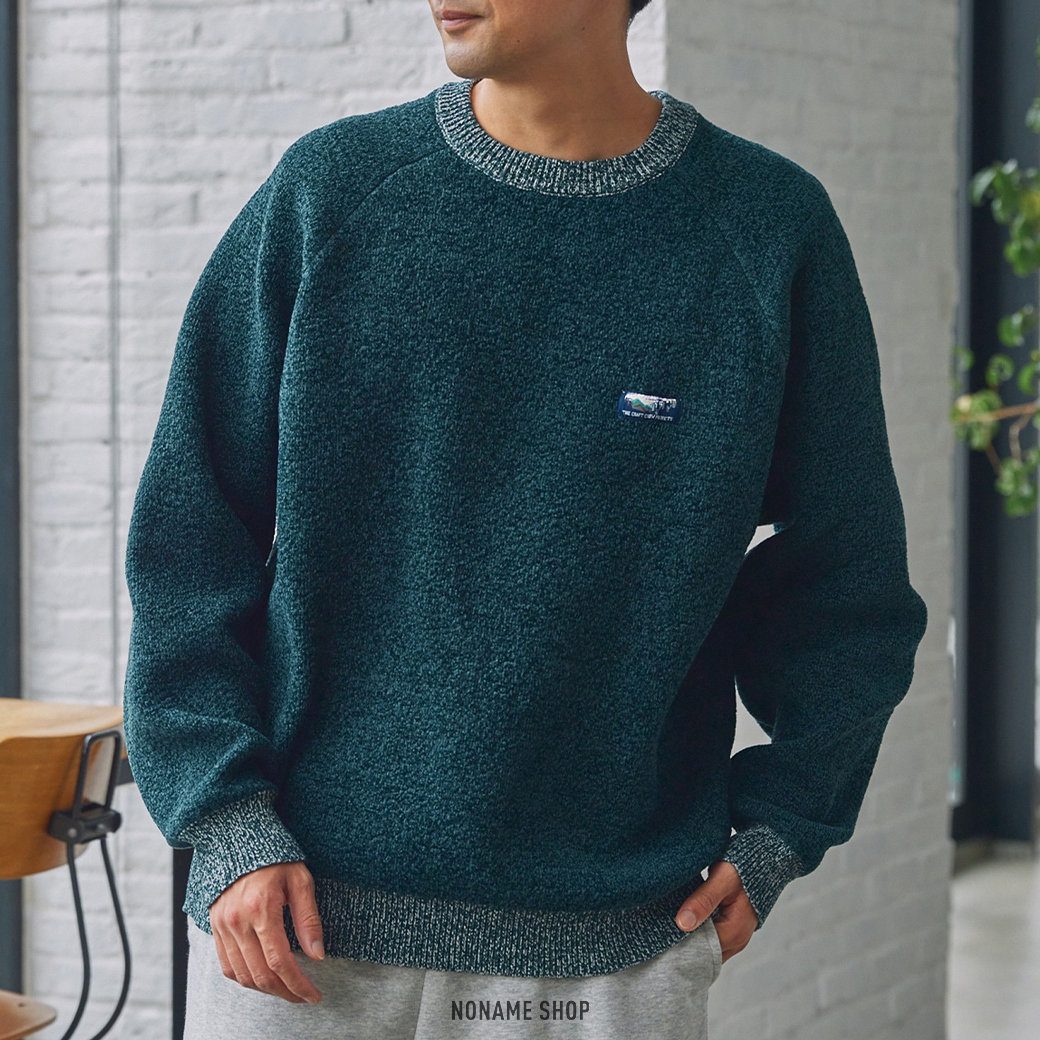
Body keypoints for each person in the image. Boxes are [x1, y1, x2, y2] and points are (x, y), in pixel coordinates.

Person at [121, 0, 929, 1037]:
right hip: (296, 931)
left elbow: (847, 575)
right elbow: (189, 540)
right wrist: (226, 820)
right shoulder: (333, 194)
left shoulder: (764, 229)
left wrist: (785, 821)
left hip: (607, 953)